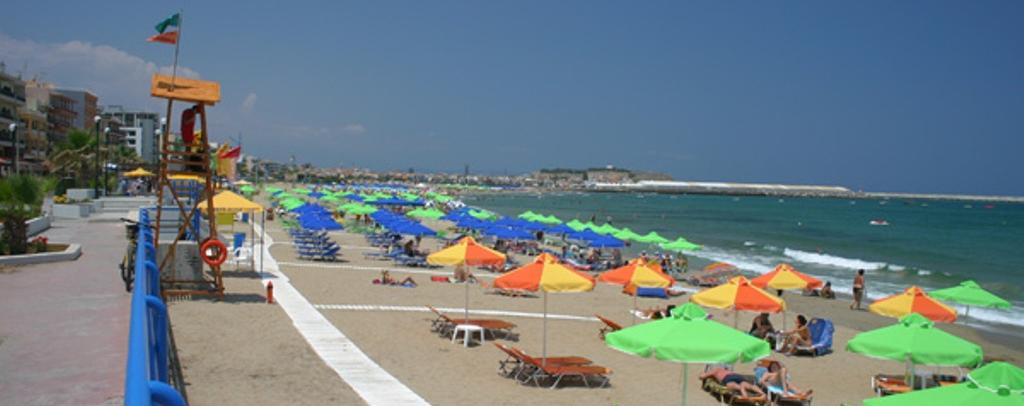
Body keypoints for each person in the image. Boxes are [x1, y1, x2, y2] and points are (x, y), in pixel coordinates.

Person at [700, 367, 765, 398]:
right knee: (748, 385)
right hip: (736, 375)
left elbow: (702, 377)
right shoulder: (724, 369)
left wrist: (703, 374)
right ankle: (762, 393)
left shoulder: (714, 370)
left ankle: (742, 390)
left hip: (727, 378)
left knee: (731, 385)